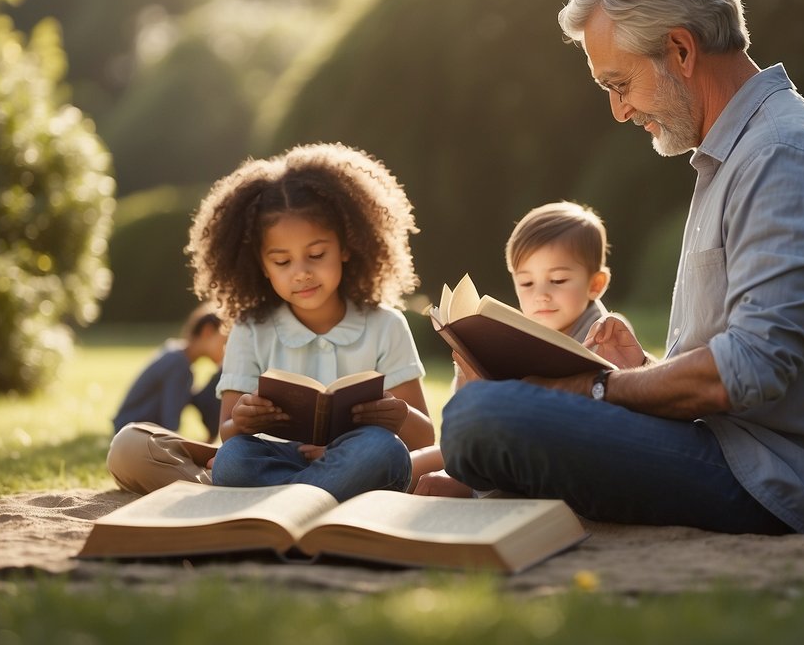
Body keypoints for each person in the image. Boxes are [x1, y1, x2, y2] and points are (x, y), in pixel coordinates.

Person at [439, 0, 804, 536]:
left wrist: (604, 388)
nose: (618, 111)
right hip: (733, 448)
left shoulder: (783, 158)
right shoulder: (739, 154)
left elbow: (754, 368)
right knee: (482, 414)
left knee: (481, 416)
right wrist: (647, 371)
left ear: (680, 49)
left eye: (619, 83)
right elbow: (747, 361)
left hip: (774, 480)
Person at [106, 143, 434, 500]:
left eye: (317, 254)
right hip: (275, 461)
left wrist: (396, 414)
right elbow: (229, 433)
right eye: (282, 262)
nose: (302, 273)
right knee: (232, 459)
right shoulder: (250, 328)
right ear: (261, 266)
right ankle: (315, 499)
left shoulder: (386, 325)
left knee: (381, 449)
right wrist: (244, 420)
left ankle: (276, 502)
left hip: (352, 459)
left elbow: (424, 438)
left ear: (346, 246)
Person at [412, 201, 626, 496]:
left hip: (556, 455)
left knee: (443, 479)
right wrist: (469, 378)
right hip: (493, 441)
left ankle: (470, 487)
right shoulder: (518, 333)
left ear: (595, 284)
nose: (541, 295)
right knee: (413, 465)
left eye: (558, 280)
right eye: (526, 283)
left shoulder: (606, 336)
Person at [110, 306, 227, 441]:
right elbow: (170, 425)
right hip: (132, 431)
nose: (225, 350)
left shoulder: (177, 355)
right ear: (207, 331)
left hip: (129, 428)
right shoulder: (179, 364)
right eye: (224, 342)